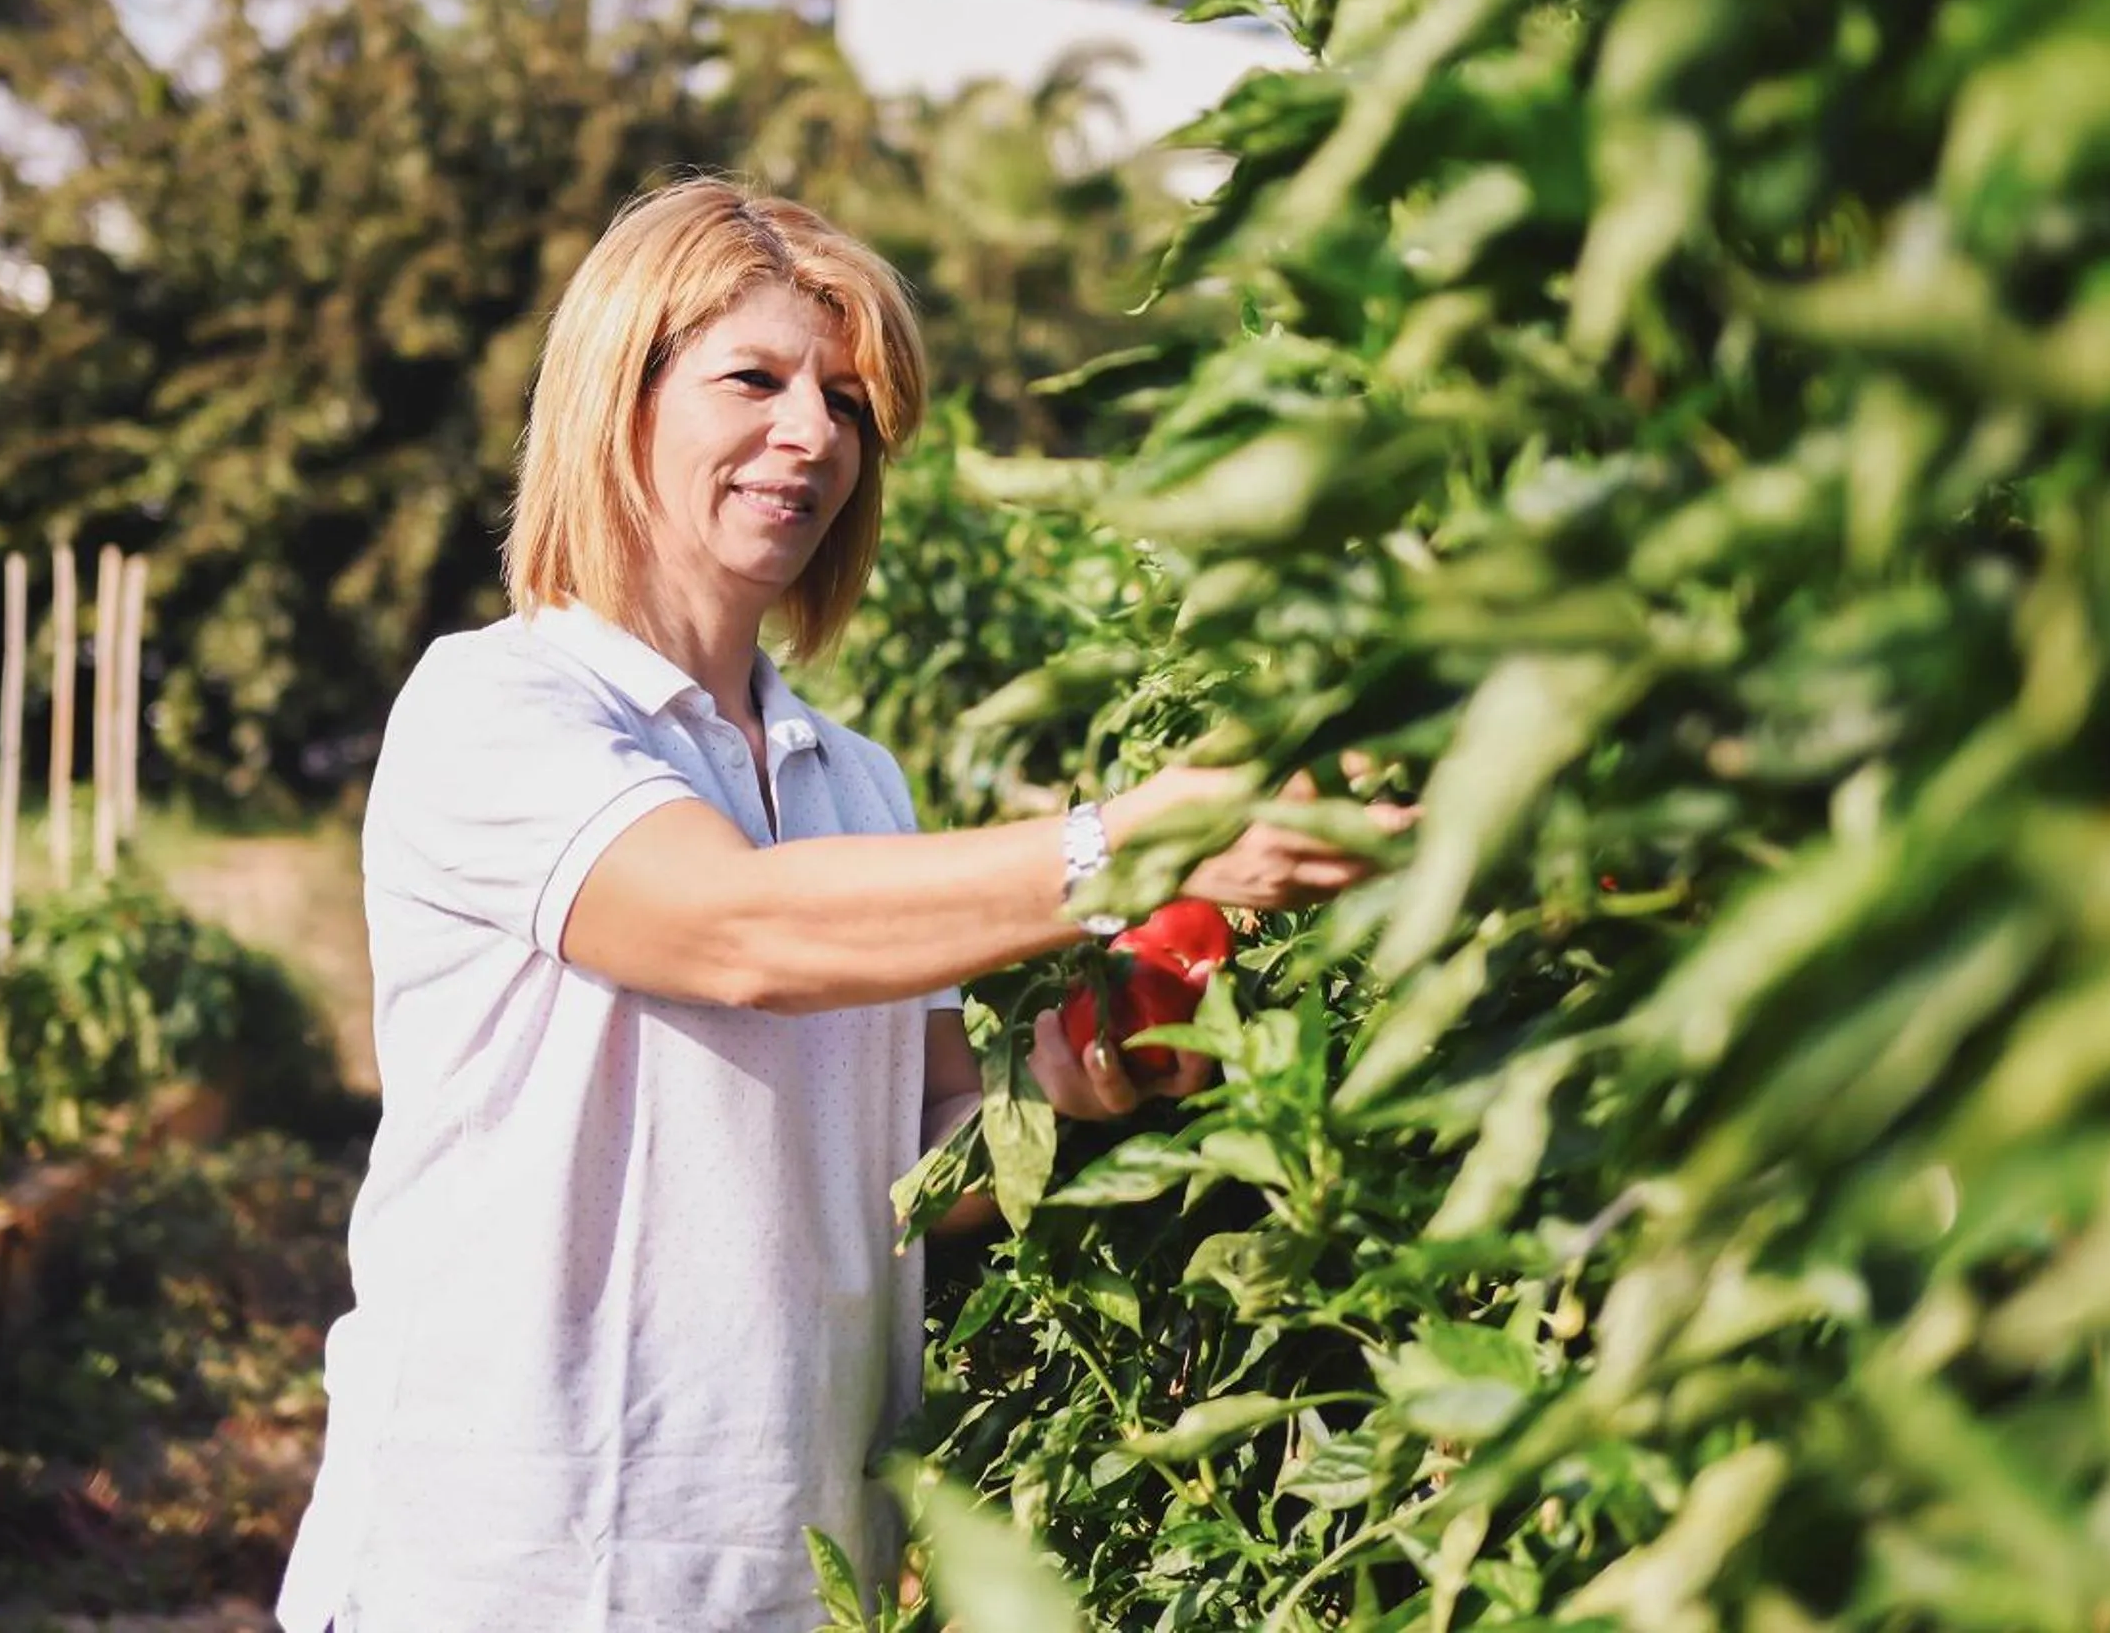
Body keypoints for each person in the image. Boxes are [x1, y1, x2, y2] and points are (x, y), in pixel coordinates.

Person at [274, 177, 1403, 1633]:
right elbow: (735, 930)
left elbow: (913, 1158)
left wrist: (1083, 1070)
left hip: (781, 1574)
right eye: (755, 378)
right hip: (509, 1567)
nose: (813, 435)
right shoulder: (496, 707)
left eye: (849, 405)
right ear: (620, 401)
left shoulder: (850, 777)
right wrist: (1132, 841)